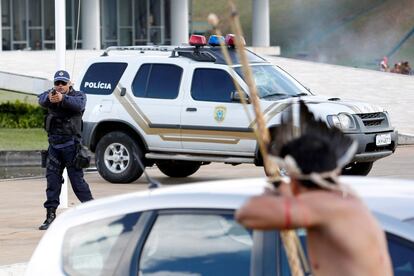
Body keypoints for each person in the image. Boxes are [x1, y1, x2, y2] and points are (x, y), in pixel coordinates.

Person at [236, 101, 392, 276]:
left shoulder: (320, 206)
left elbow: (246, 214)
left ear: (294, 180)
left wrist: (280, 189)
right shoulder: (346, 197)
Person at [38, 70, 93, 230]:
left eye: (63, 83)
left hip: (72, 147)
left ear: (70, 84)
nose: (60, 86)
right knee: (52, 183)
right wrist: (49, 98)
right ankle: (50, 216)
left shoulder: (79, 96)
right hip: (54, 147)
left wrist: (63, 98)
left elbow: (78, 105)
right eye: (57, 83)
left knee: (78, 183)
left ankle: (93, 213)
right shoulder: (50, 95)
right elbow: (40, 99)